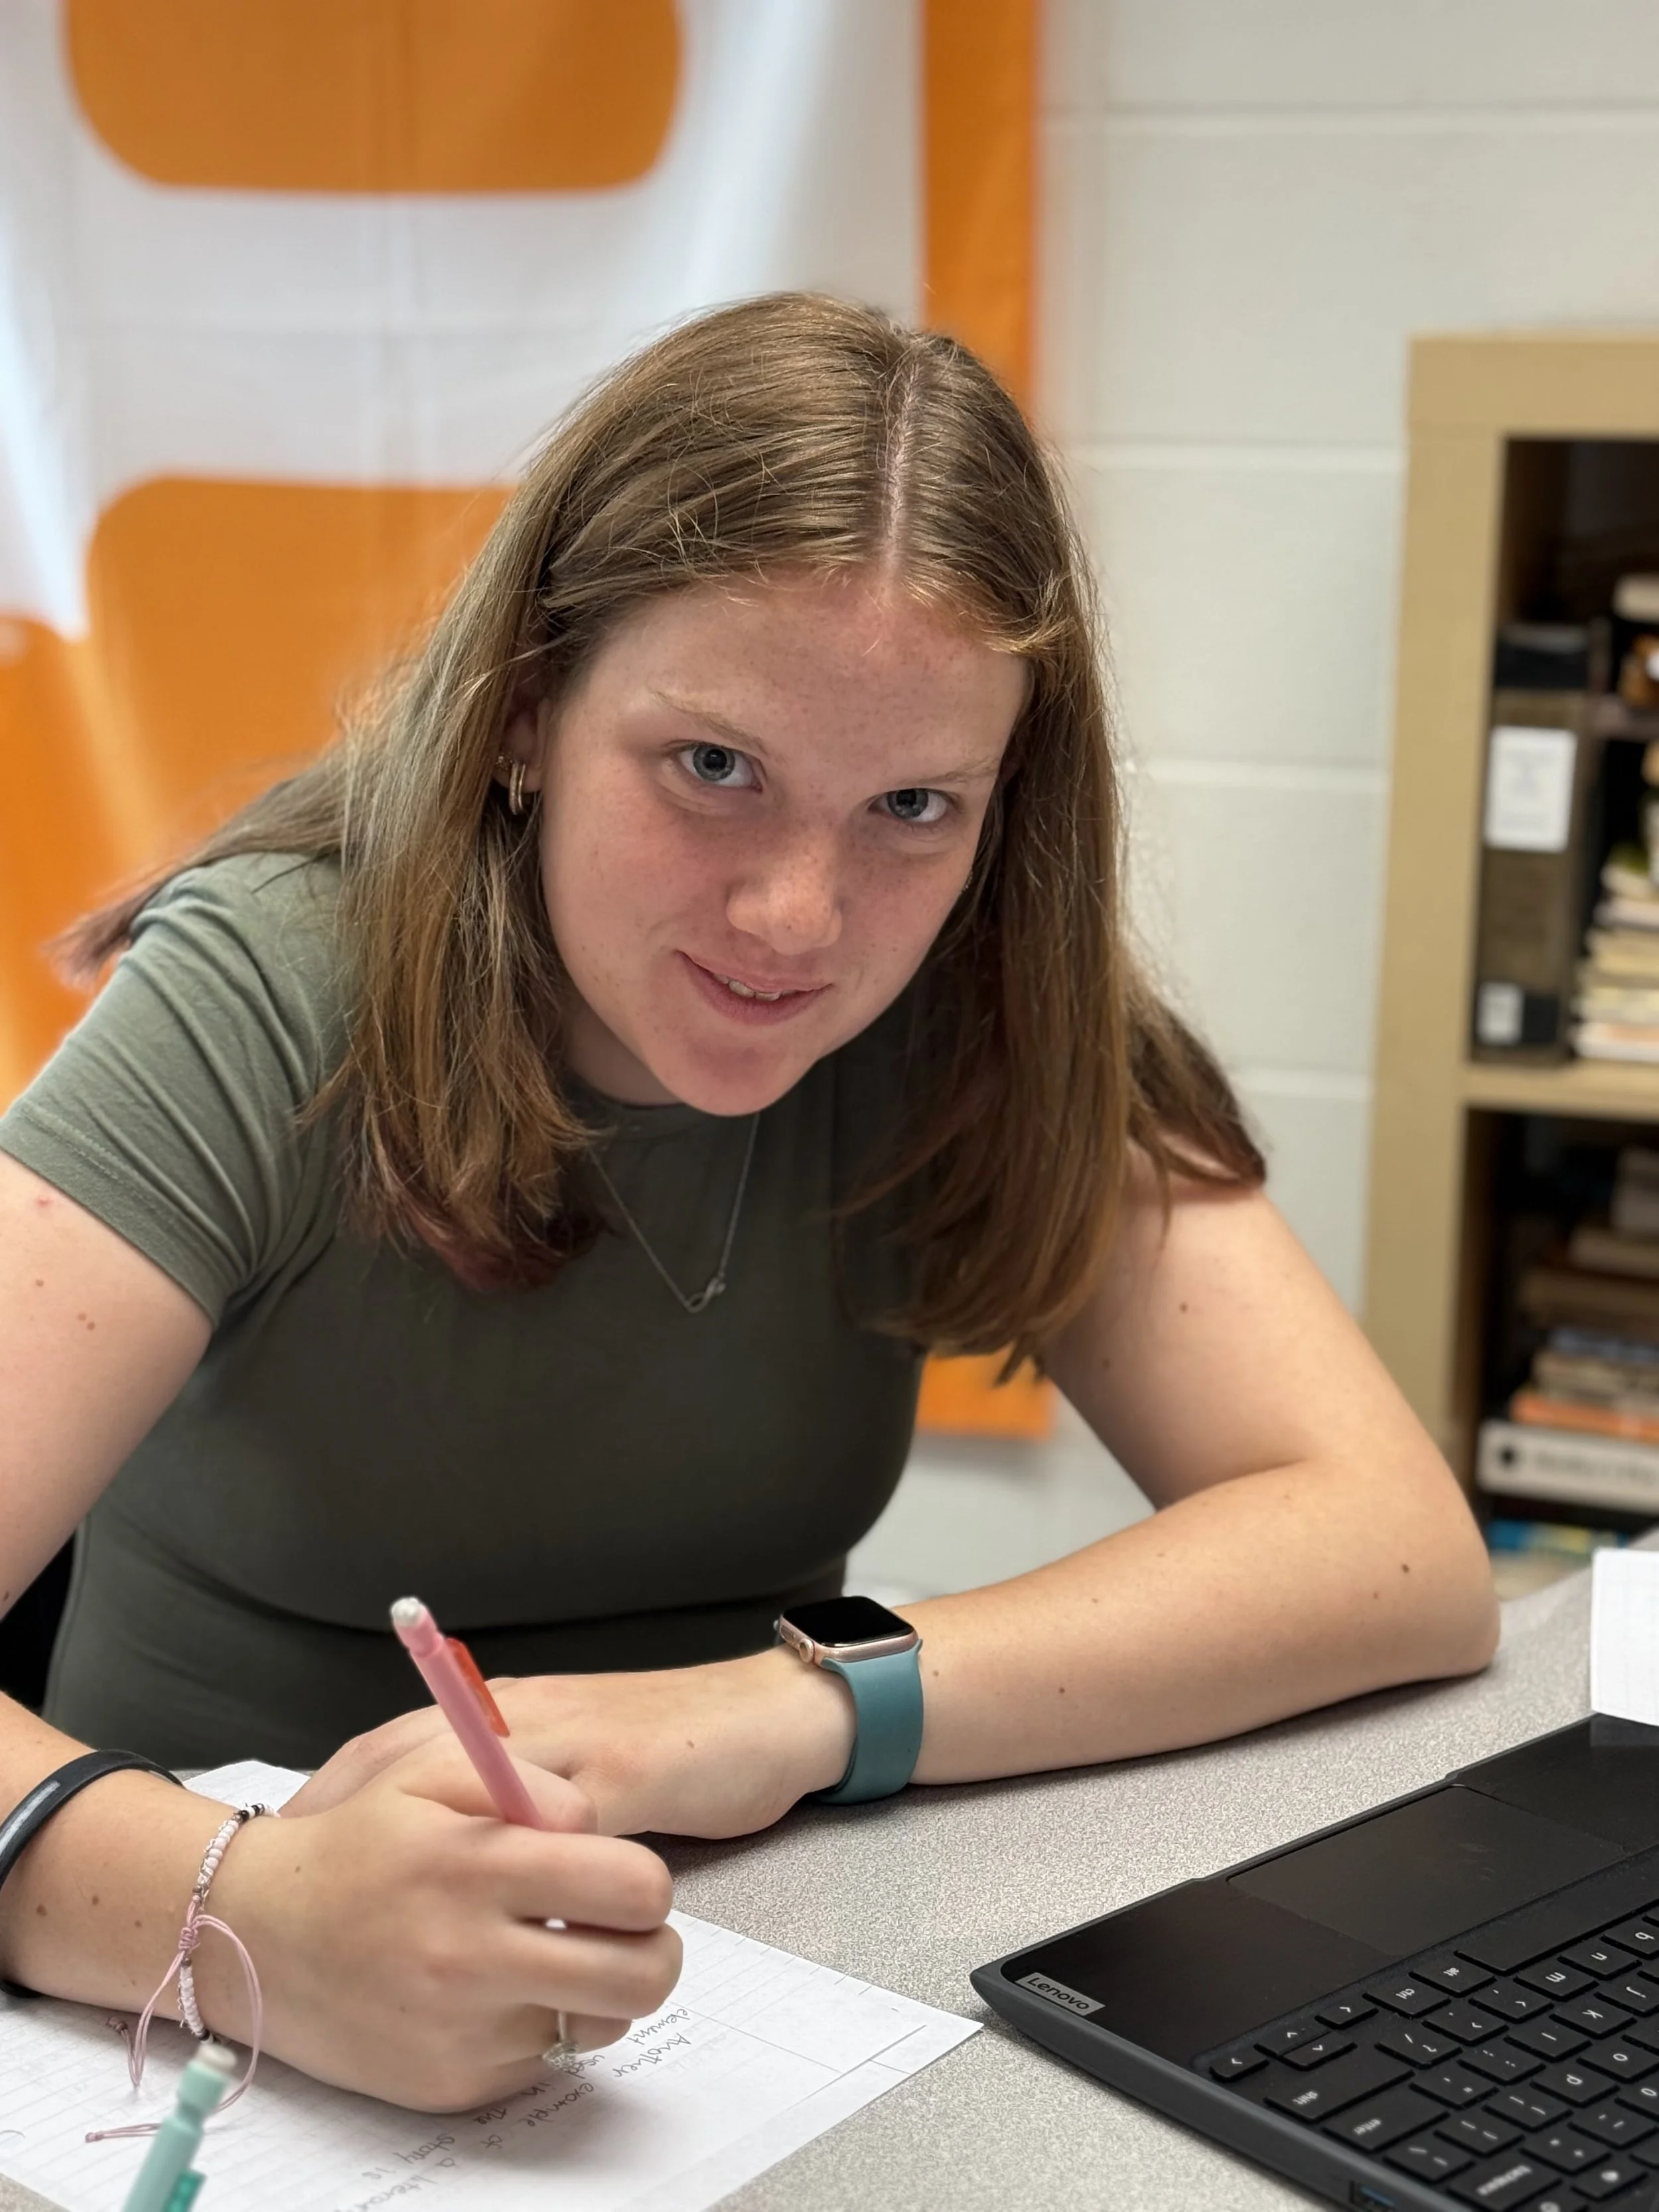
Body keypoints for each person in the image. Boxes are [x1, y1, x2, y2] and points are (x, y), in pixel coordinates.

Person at [0, 293, 1497, 2112]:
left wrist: (794, 1704)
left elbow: (1395, 1551)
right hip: (186, 2041)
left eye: (912, 804)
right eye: (714, 768)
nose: (799, 915)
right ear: (529, 709)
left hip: (734, 2008)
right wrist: (243, 1915)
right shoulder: (270, 993)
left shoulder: (978, 1006)